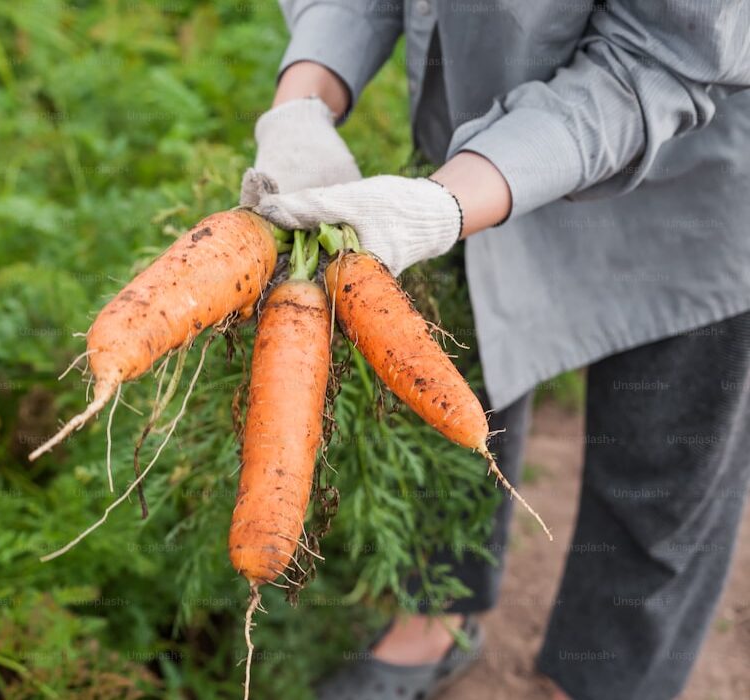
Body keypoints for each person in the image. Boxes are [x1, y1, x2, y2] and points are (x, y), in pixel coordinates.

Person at [240, 2, 750, 699]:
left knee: (659, 459)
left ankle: (604, 680)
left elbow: (663, 56)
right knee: (448, 379)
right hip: (468, 144)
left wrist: (444, 206)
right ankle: (434, 617)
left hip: (691, 174)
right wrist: (301, 102)